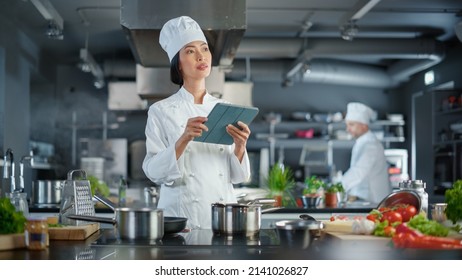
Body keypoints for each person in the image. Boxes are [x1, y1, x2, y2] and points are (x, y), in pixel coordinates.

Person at [142, 16, 252, 230]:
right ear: (178, 64)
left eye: (204, 49)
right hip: (181, 221)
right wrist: (183, 139)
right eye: (190, 51)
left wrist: (240, 147)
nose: (201, 56)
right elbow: (153, 172)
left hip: (223, 219)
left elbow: (239, 177)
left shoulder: (226, 108)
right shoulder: (161, 111)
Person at [340, 102, 391, 204]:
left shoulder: (371, 145)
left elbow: (358, 172)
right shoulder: (361, 142)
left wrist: (336, 187)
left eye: (351, 124)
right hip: (364, 199)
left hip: (373, 201)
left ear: (363, 125)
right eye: (347, 125)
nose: (347, 129)